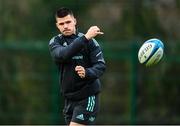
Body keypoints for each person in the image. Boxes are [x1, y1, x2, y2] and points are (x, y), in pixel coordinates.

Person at [49, 7, 106, 126]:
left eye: (68, 22)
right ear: (57, 25)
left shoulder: (90, 42)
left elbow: (100, 66)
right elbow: (63, 55)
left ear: (74, 21)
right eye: (61, 23)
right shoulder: (55, 42)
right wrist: (85, 38)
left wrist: (87, 72)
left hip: (87, 97)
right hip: (69, 99)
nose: (65, 26)